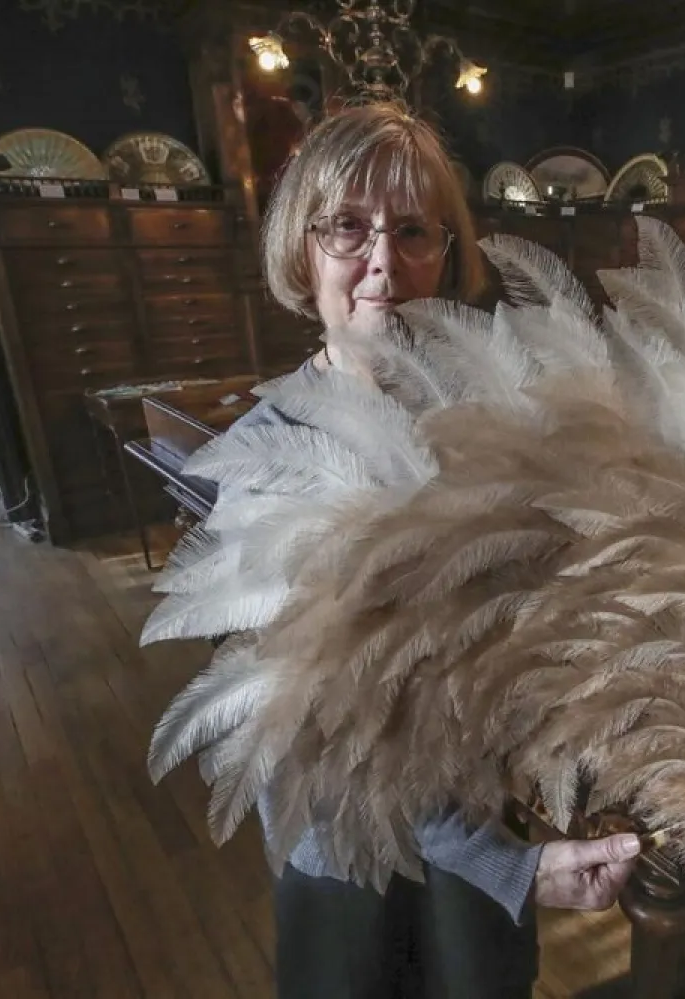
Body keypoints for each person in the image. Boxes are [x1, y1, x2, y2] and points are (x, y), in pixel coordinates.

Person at [231, 101, 643, 998]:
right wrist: (508, 867)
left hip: (487, 829)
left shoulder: (490, 425)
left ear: (447, 256)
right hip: (349, 858)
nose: (382, 261)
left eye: (413, 230)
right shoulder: (268, 460)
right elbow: (338, 737)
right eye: (347, 227)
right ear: (304, 252)